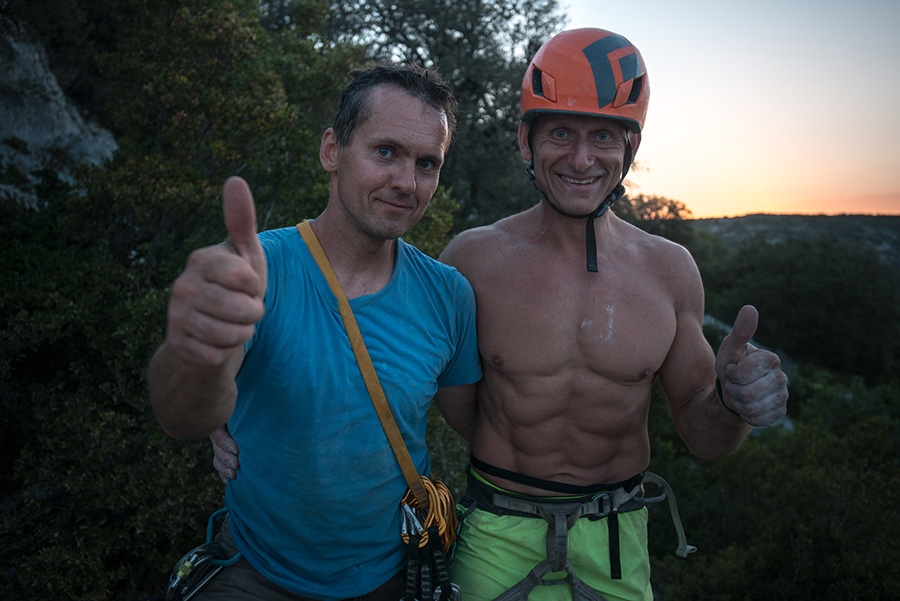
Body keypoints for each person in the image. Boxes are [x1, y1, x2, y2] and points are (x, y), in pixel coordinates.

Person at [213, 28, 789, 601]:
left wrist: (733, 405)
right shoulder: (471, 261)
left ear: (630, 150)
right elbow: (375, 358)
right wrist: (226, 410)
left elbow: (704, 435)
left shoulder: (671, 271)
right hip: (495, 530)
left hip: (614, 538)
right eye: (560, 132)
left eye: (605, 137)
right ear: (525, 141)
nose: (582, 158)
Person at [148, 64, 482, 601]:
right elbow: (182, 415)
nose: (406, 181)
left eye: (427, 163)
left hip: (391, 575)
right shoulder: (259, 270)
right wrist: (197, 352)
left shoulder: (449, 296)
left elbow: (481, 429)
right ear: (332, 150)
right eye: (385, 152)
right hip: (256, 571)